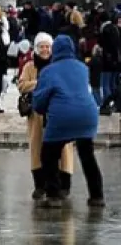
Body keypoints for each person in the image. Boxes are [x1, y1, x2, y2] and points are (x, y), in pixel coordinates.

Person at [32, 34, 104, 208]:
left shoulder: (48, 71)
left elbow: (40, 101)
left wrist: (42, 110)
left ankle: (54, 195)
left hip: (62, 117)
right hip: (88, 115)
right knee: (87, 155)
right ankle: (97, 196)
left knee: (48, 155)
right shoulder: (82, 67)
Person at [18, 33, 73, 201]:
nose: (45, 50)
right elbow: (22, 86)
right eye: (42, 46)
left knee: (64, 148)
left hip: (58, 112)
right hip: (36, 114)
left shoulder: (60, 65)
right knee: (37, 146)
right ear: (36, 48)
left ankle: (64, 185)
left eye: (48, 46)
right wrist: (40, 83)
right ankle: (40, 185)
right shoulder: (29, 66)